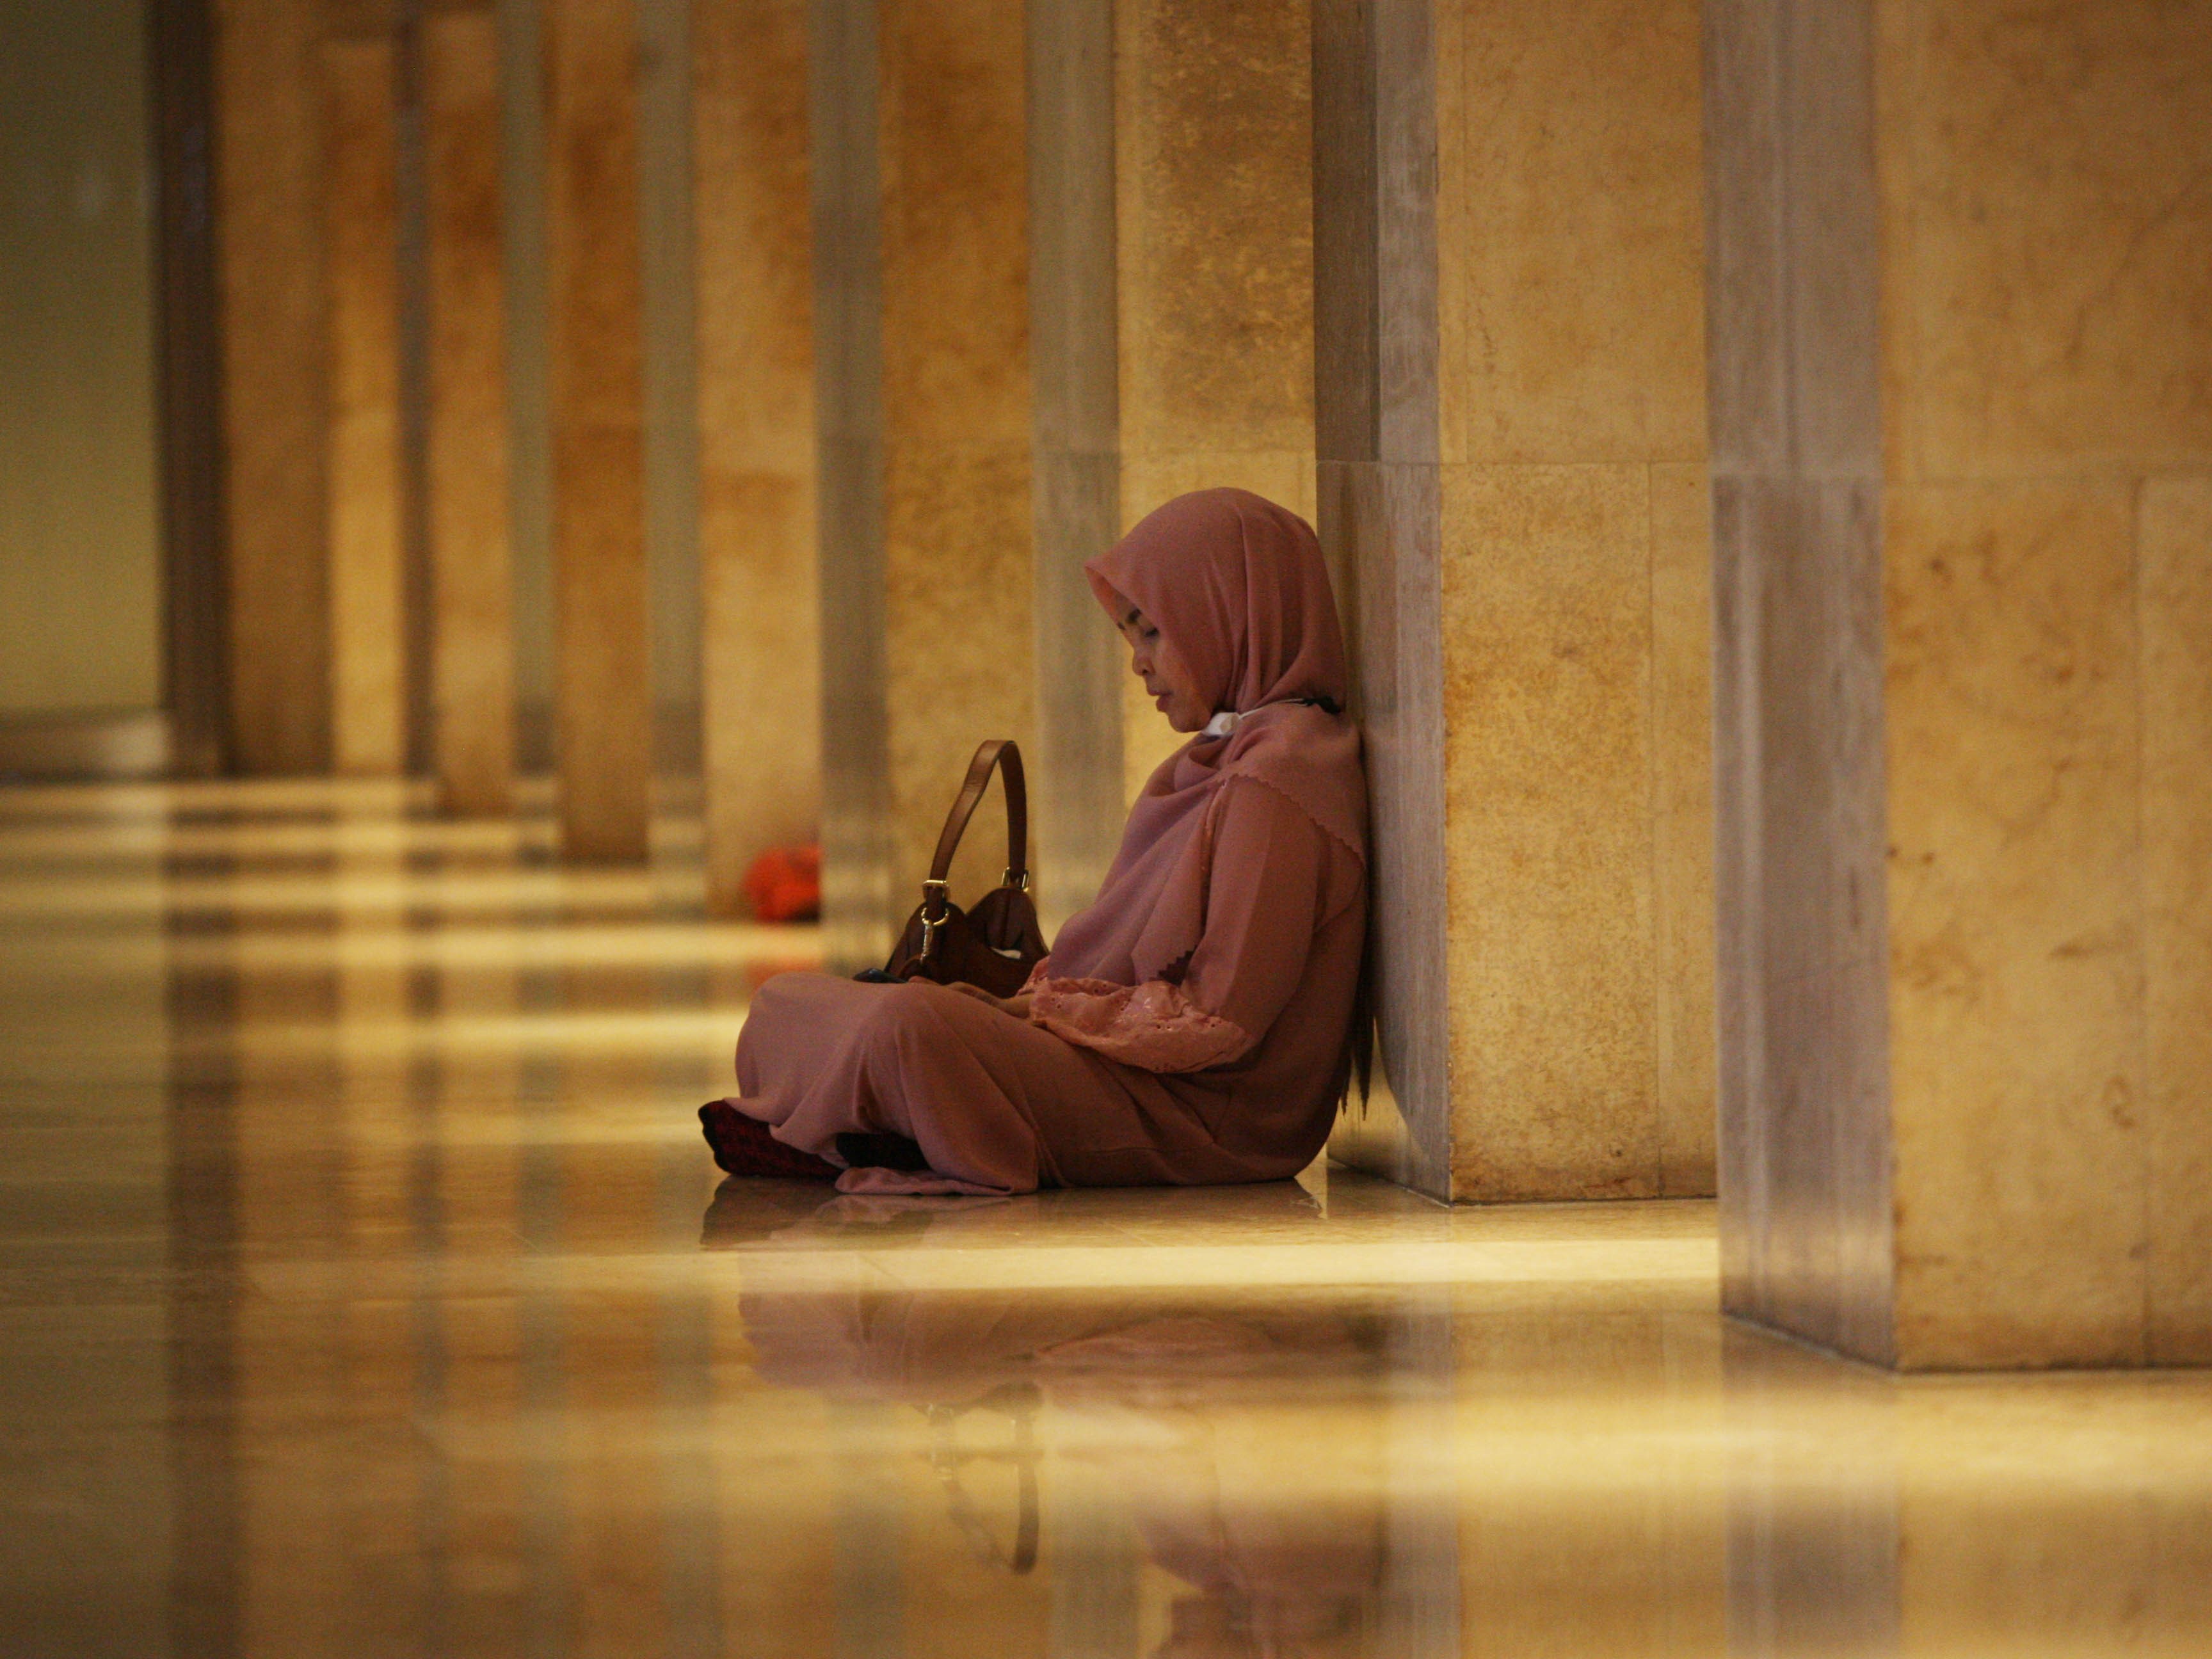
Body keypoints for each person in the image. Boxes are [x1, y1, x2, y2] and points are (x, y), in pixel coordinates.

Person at [700, 487, 1368, 1196]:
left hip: (1207, 1118)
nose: (1140, 664)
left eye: (1154, 633)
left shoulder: (1280, 781)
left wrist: (1041, 1012)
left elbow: (1218, 1021)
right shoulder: (1222, 760)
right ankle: (872, 1118)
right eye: (1130, 637)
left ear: (1231, 615)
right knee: (787, 1002)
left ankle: (869, 1123)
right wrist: (1024, 1011)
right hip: (1132, 1070)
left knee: (913, 1026)